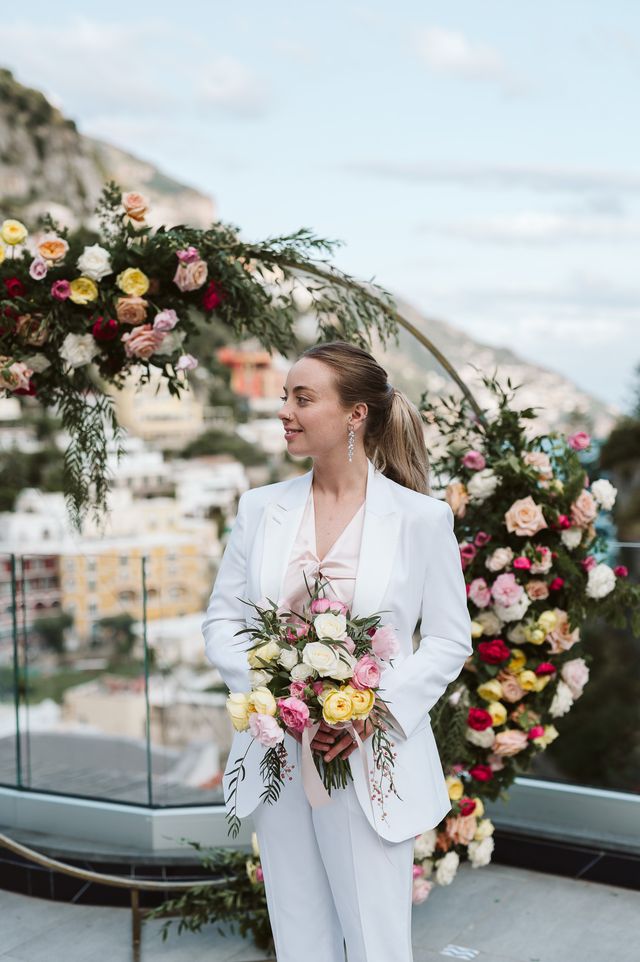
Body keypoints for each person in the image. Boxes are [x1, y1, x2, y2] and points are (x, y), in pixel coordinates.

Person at [202, 340, 472, 962]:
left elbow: (449, 640)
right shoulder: (260, 508)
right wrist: (273, 693)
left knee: (377, 942)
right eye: (285, 398)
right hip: (276, 750)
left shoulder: (421, 519)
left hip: (368, 752)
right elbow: (222, 619)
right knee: (297, 934)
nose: (285, 411)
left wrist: (367, 712)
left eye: (303, 398)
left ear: (355, 414)